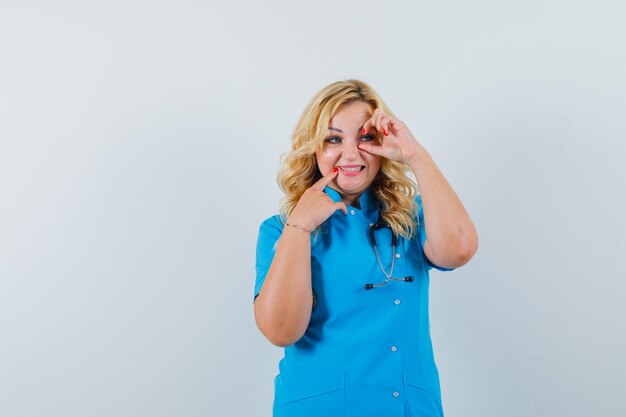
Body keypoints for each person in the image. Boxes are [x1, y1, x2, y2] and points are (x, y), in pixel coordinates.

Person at [253, 79, 478, 417]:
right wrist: (300, 227)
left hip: (408, 407)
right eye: (333, 139)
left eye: (365, 137)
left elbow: (458, 249)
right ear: (313, 149)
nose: (351, 153)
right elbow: (281, 330)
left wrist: (416, 155)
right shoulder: (280, 230)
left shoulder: (410, 216)